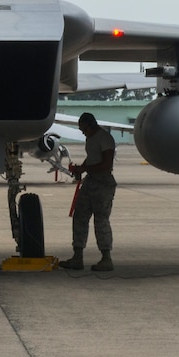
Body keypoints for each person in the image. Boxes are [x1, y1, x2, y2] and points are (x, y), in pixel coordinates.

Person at [59, 113, 117, 271]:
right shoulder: (91, 138)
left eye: (84, 129)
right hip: (91, 181)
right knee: (80, 217)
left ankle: (106, 258)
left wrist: (84, 168)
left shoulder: (105, 139)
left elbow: (106, 165)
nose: (83, 132)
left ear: (91, 126)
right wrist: (81, 169)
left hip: (103, 183)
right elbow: (92, 158)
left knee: (101, 220)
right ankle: (77, 257)